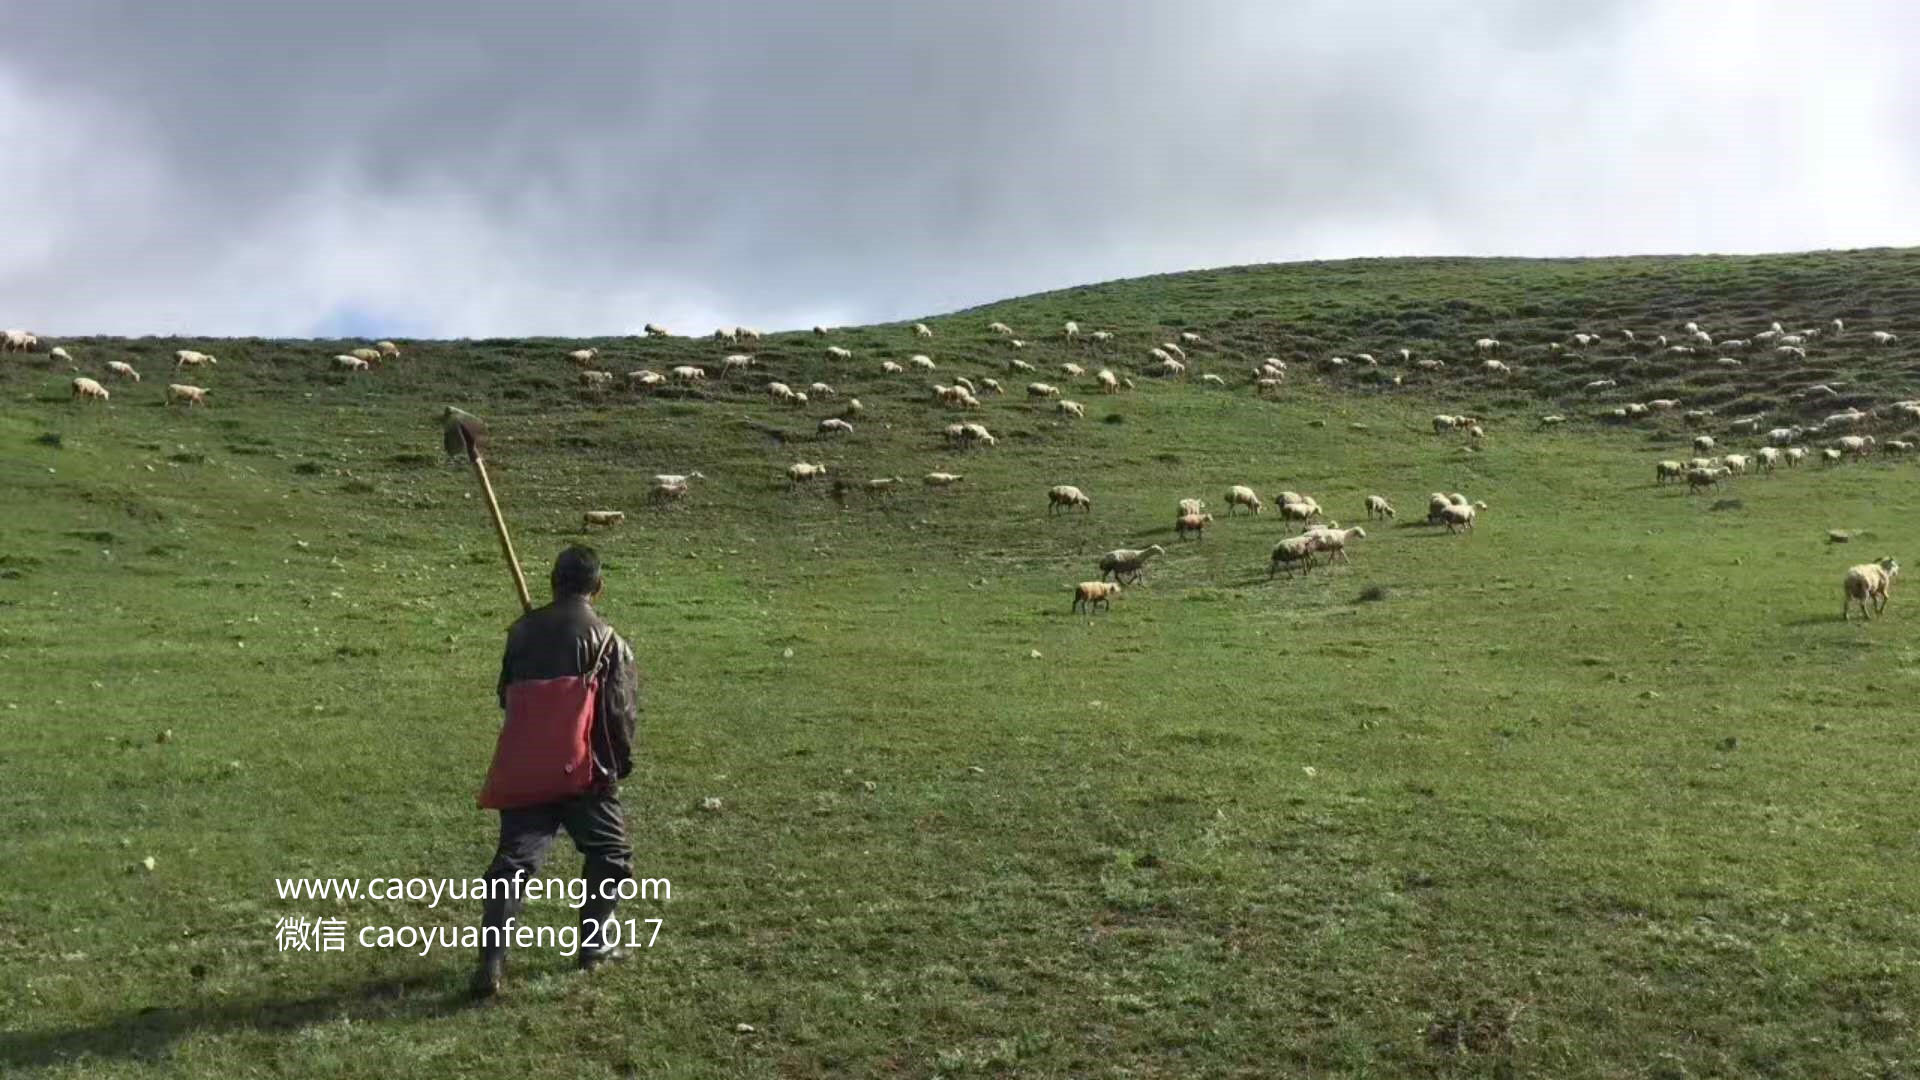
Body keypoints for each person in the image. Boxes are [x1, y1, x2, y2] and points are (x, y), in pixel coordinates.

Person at [471, 545, 640, 999]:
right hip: (584, 771)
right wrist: (617, 765)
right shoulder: (609, 641)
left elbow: (506, 696)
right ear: (597, 588)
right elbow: (619, 711)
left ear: (553, 583)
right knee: (610, 851)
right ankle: (593, 946)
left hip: (526, 764)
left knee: (514, 861)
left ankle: (491, 962)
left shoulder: (521, 632)